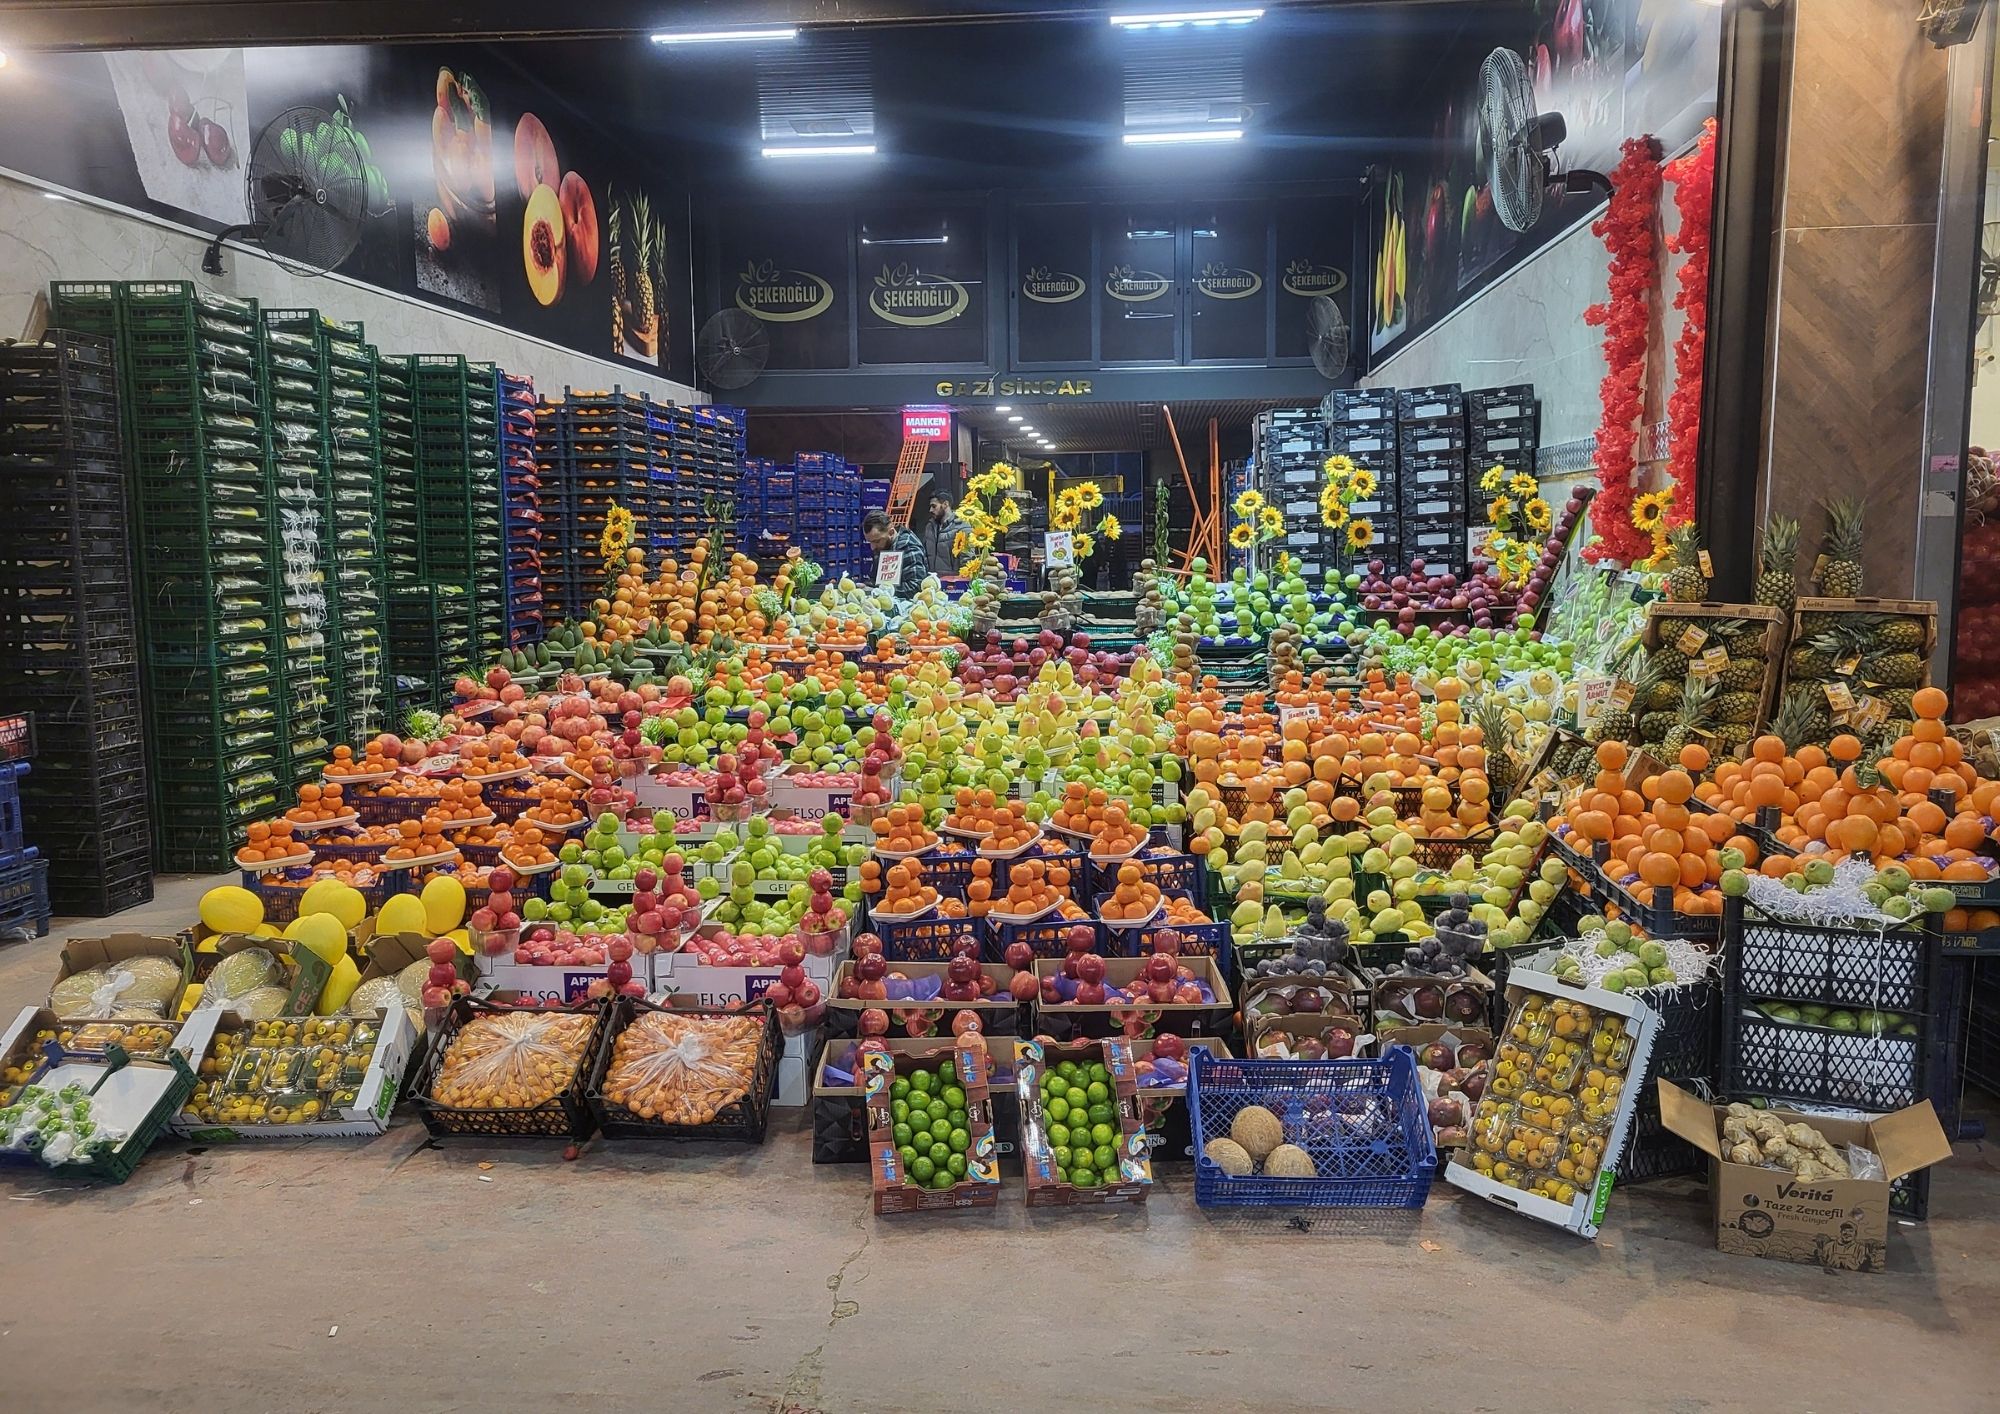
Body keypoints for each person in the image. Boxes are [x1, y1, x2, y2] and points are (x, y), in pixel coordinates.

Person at [862, 510, 927, 598]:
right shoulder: (882, 547)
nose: (872, 547)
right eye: (870, 542)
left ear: (891, 533)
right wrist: (867, 586)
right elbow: (875, 580)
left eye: (877, 541)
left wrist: (880, 591)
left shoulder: (908, 547)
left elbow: (916, 587)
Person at [919, 491, 970, 575]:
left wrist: (962, 579)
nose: (931, 510)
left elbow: (967, 560)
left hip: (953, 579)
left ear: (945, 504)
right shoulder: (930, 527)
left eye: (934, 506)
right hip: (931, 578)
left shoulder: (962, 526)